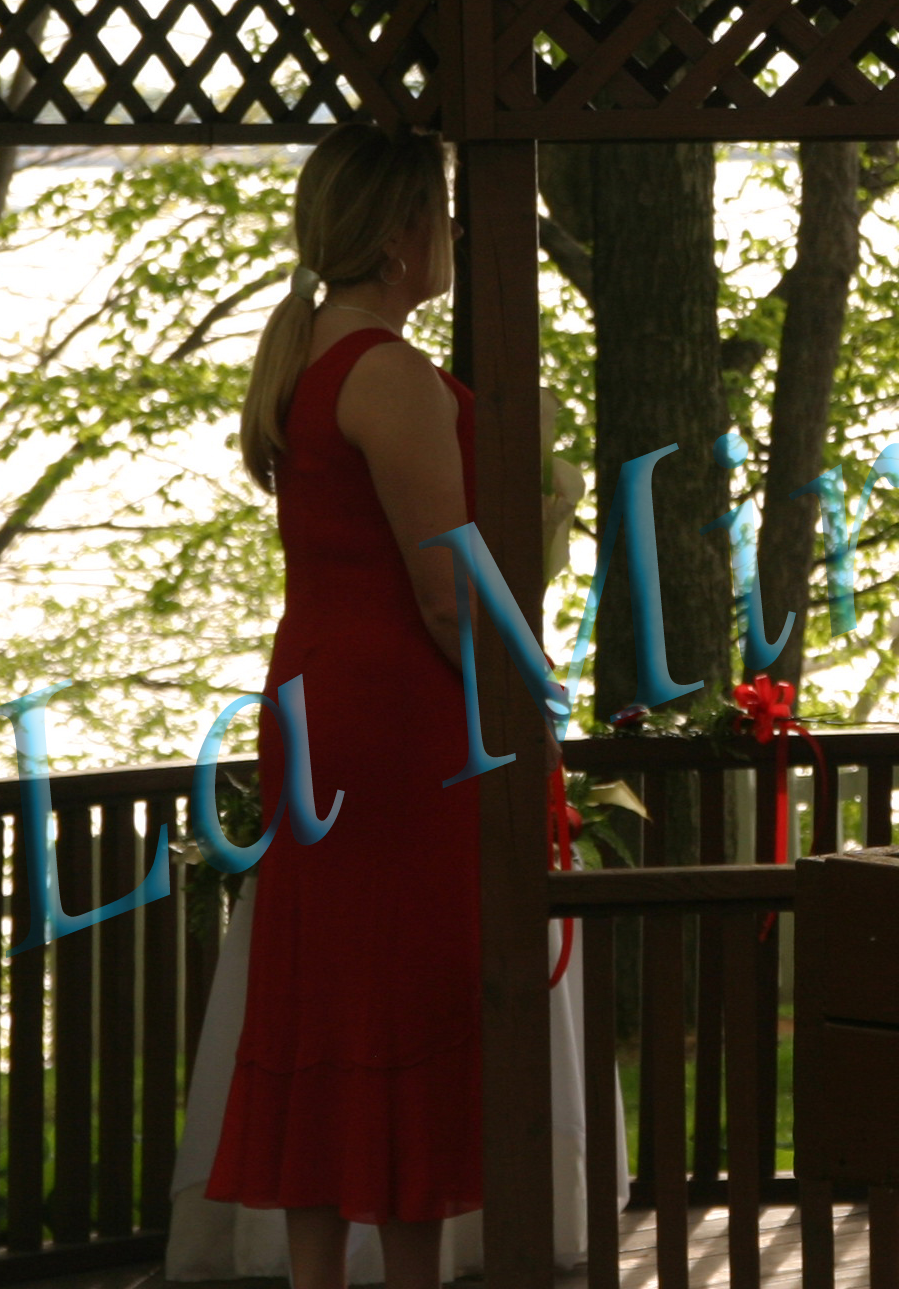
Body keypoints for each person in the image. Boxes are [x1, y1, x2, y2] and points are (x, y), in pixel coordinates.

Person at [201, 124, 611, 1287]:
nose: (456, 231)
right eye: (442, 210)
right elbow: (445, 591)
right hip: (398, 714)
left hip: (317, 694)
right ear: (398, 233)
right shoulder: (387, 371)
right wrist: (526, 701)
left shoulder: (311, 352)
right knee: (402, 987)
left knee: (329, 990)